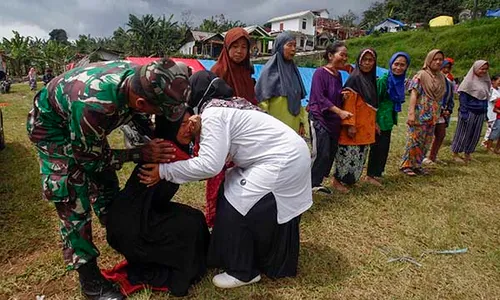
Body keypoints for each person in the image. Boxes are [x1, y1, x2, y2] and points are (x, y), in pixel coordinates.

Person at [26, 58, 190, 300]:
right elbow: (89, 160)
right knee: (73, 195)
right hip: (53, 130)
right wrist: (138, 153)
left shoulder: (144, 78)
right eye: (160, 111)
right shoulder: (95, 107)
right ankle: (89, 280)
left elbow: (135, 115)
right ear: (142, 102)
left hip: (84, 123)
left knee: (107, 184)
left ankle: (123, 235)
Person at [139, 70, 313, 289]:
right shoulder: (227, 106)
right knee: (231, 186)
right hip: (289, 155)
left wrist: (164, 171)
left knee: (236, 203)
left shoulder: (212, 114)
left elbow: (210, 165)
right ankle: (258, 256)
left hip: (282, 161)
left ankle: (243, 271)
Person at [106, 108, 210, 297]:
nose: (187, 129)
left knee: (194, 217)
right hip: (131, 226)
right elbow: (205, 168)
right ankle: (183, 273)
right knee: (189, 228)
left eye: (189, 123)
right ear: (169, 127)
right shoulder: (167, 149)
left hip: (146, 212)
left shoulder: (170, 146)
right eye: (181, 125)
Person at [206, 27, 257, 226]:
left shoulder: (246, 71)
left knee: (242, 175)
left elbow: (252, 99)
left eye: (244, 47)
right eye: (234, 46)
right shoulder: (218, 72)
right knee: (221, 176)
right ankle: (216, 216)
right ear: (226, 47)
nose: (239, 51)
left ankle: (237, 215)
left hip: (246, 133)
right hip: (224, 134)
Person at [308, 42, 353, 194]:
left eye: (346, 55)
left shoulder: (339, 75)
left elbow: (333, 94)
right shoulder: (320, 73)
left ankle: (317, 182)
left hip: (333, 121)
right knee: (320, 151)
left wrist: (342, 96)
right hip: (320, 118)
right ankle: (307, 183)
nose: (345, 58)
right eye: (342, 54)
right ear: (330, 55)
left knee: (329, 152)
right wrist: (339, 112)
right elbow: (320, 98)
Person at [332, 48, 378, 192]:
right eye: (364, 60)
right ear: (359, 61)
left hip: (365, 126)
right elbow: (349, 103)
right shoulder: (355, 78)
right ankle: (337, 181)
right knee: (347, 154)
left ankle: (351, 180)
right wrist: (350, 125)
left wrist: (374, 123)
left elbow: (373, 106)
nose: (367, 63)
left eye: (371, 60)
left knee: (359, 154)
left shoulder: (370, 80)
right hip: (354, 125)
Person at [366, 52, 410, 185]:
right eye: (396, 64)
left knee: (384, 147)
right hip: (379, 119)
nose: (399, 68)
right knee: (377, 147)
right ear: (391, 64)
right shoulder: (384, 80)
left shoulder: (400, 81)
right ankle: (370, 175)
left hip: (389, 119)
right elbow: (374, 102)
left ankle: (378, 173)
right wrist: (374, 122)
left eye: (402, 65)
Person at [400, 49, 446, 176]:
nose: (438, 62)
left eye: (440, 60)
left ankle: (417, 165)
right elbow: (414, 94)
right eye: (435, 59)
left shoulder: (441, 77)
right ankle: (407, 165)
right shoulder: (420, 75)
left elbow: (440, 96)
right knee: (414, 139)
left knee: (426, 141)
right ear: (429, 60)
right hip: (420, 113)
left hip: (434, 115)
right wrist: (411, 113)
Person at [255, 31, 308, 136]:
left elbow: (298, 99)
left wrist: (301, 122)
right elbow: (262, 102)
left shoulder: (294, 72)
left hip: (293, 127)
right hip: (274, 129)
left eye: (295, 45)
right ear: (279, 47)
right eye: (289, 45)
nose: (293, 49)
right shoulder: (269, 71)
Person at [450, 60, 491, 163]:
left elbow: (485, 97)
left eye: (486, 69)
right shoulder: (468, 81)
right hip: (469, 111)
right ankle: (455, 153)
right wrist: (464, 112)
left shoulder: (486, 81)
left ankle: (468, 153)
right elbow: (463, 98)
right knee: (463, 133)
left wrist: (485, 112)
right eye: (482, 68)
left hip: (480, 111)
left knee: (475, 134)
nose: (484, 71)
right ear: (476, 68)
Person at [423, 59, 456, 165]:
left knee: (441, 134)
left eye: (448, 68)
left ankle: (433, 156)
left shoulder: (449, 83)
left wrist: (449, 110)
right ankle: (423, 156)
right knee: (427, 134)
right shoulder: (431, 79)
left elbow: (450, 98)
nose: (446, 70)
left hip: (442, 113)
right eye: (444, 68)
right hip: (430, 111)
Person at [483, 74, 500, 149]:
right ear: (493, 81)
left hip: (497, 113)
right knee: (490, 128)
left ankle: (488, 143)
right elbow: (494, 100)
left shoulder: (499, 89)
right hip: (491, 112)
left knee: (494, 128)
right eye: (499, 81)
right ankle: (485, 142)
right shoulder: (490, 89)